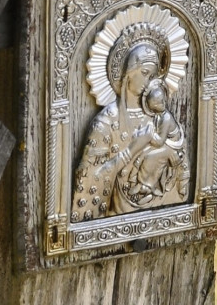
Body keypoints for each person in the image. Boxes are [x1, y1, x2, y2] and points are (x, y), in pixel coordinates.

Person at [71, 39, 189, 219]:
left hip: (158, 211)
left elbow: (178, 158)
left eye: (153, 76)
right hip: (116, 214)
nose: (149, 81)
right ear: (128, 72)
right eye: (144, 73)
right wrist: (134, 148)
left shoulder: (158, 116)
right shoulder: (106, 122)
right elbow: (88, 180)